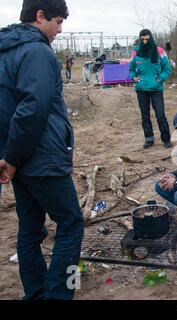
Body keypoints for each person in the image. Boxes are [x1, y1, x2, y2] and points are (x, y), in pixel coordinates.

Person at [0, 0, 84, 300]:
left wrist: (9, 157)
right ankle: (59, 295)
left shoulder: (6, 49)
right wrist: (13, 156)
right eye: (58, 22)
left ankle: (35, 294)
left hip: (16, 159)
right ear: (39, 16)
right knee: (72, 223)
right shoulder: (37, 51)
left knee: (30, 228)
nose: (59, 30)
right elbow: (32, 108)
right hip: (40, 158)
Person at [129, 29, 172, 149]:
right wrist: (134, 77)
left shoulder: (160, 51)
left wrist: (159, 79)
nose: (145, 41)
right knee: (145, 116)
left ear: (151, 38)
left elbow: (167, 69)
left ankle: (166, 139)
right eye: (142, 39)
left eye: (147, 39)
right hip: (141, 88)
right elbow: (131, 68)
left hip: (156, 88)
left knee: (160, 114)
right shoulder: (136, 52)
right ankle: (149, 139)